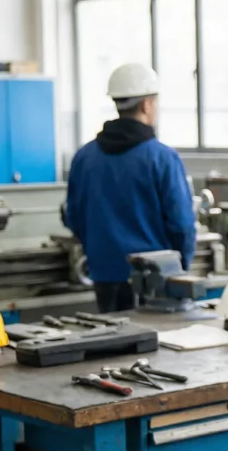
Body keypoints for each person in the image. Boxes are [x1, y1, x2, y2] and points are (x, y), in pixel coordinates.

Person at [65, 64, 196, 313]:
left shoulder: (84, 157)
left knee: (113, 336)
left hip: (104, 275)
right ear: (147, 105)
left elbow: (73, 216)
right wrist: (179, 267)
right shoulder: (162, 158)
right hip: (154, 278)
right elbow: (182, 224)